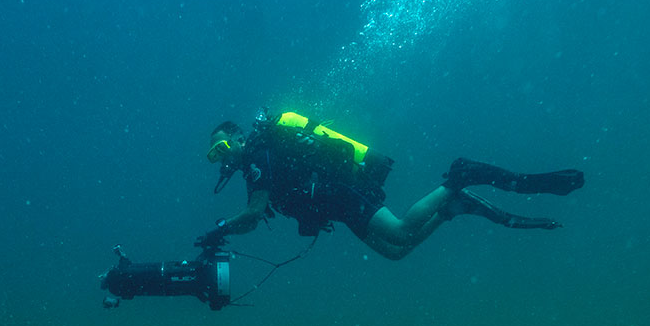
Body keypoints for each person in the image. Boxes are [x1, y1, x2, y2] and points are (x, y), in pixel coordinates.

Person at [204, 110, 584, 260]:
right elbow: (255, 215)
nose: (221, 158)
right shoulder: (256, 162)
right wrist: (226, 230)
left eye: (222, 148)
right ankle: (452, 208)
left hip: (338, 192)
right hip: (333, 204)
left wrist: (219, 229)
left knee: (401, 231)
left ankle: (459, 179)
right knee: (395, 252)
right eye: (214, 155)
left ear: (239, 139)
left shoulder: (258, 155)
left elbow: (255, 212)